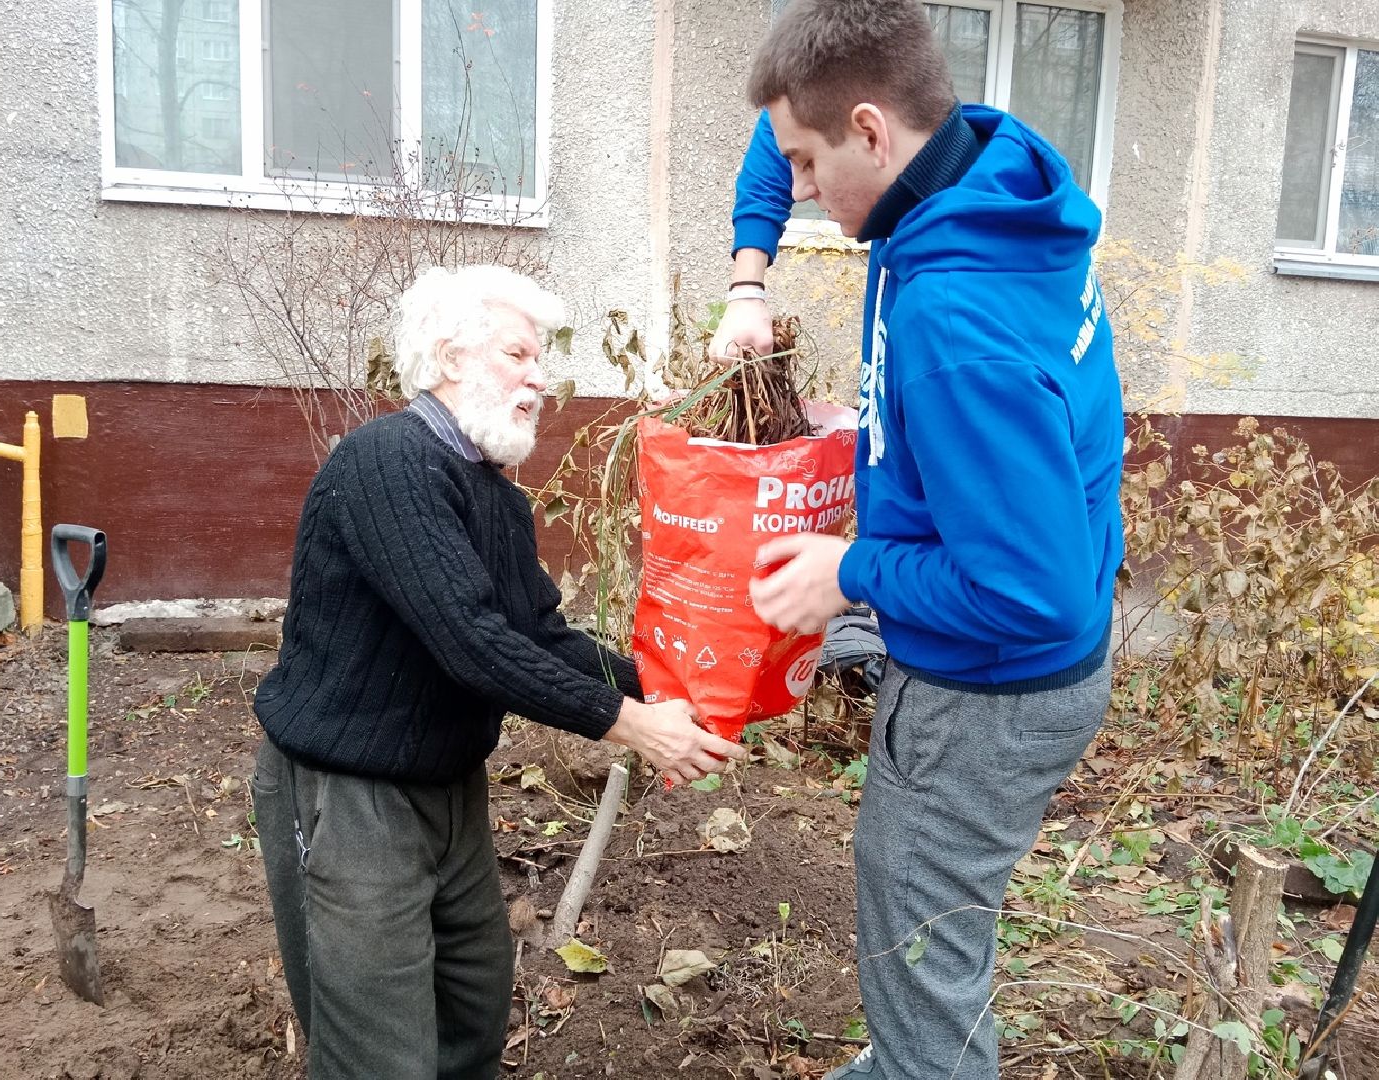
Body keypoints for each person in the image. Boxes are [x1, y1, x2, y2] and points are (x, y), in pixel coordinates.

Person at [724, 3, 1125, 1078]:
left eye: (806, 162)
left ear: (868, 129)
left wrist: (848, 573)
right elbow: (1006, 434)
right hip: (1028, 669)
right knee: (934, 929)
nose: (796, 189)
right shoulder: (983, 176)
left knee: (914, 931)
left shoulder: (956, 318)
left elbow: (1028, 591)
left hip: (989, 694)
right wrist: (886, 437)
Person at [249, 264, 746, 1080]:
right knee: (378, 1047)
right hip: (349, 795)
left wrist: (660, 686)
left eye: (541, 358)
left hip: (448, 787)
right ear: (450, 358)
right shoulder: (387, 462)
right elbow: (472, 641)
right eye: (519, 354)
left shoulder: (488, 489)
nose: (540, 379)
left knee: (473, 1004)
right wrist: (632, 727)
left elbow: (539, 634)